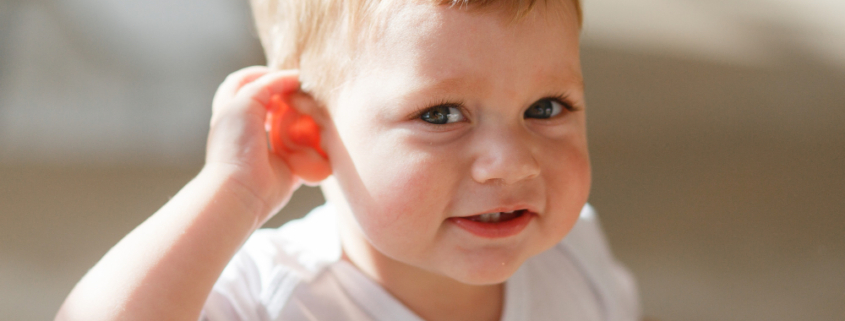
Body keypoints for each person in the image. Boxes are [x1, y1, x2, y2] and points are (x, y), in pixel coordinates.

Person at [56, 0, 640, 320]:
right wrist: (233, 190)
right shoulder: (271, 298)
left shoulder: (574, 254)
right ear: (309, 133)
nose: (511, 164)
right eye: (441, 115)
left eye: (546, 106)